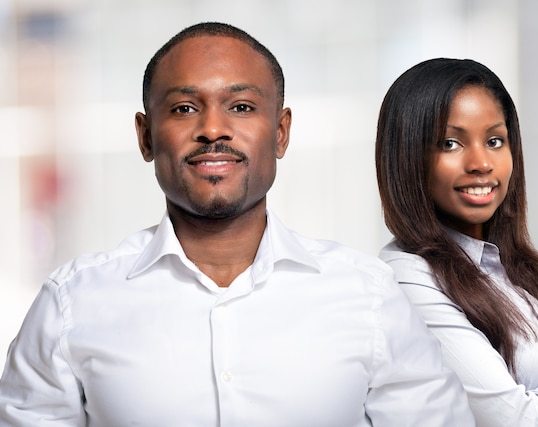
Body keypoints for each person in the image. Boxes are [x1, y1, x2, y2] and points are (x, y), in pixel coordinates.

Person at [0, 23, 474, 426]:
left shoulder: (369, 296)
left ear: (281, 132)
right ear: (145, 136)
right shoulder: (73, 302)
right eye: (184, 108)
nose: (213, 129)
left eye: (241, 107)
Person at [375, 57, 538, 426]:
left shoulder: (524, 270)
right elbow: (517, 419)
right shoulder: (406, 278)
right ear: (408, 157)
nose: (481, 162)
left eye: (494, 140)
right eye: (450, 143)